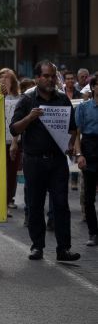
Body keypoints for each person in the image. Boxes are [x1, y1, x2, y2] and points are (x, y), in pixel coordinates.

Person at [11, 60, 81, 262]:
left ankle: (63, 249)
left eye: (53, 76)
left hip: (57, 160)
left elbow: (72, 128)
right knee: (35, 204)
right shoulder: (27, 100)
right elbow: (14, 129)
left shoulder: (62, 99)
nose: (50, 80)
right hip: (34, 161)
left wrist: (70, 143)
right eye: (46, 76)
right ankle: (37, 246)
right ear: (37, 78)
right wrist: (29, 118)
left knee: (61, 204)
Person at [0, 69, 23, 213]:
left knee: (11, 174)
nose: (3, 80)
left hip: (13, 141)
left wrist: (14, 141)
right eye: (1, 77)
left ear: (13, 81)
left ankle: (7, 201)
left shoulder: (19, 99)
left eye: (7, 77)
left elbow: (18, 121)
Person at [76, 75, 98, 248]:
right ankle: (93, 232)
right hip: (90, 149)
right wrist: (79, 154)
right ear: (93, 87)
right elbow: (77, 133)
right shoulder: (83, 108)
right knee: (89, 197)